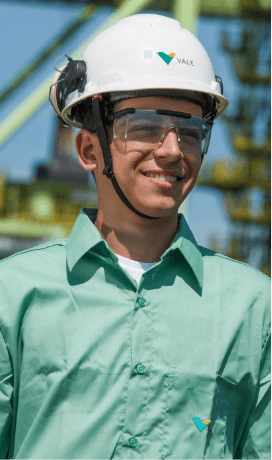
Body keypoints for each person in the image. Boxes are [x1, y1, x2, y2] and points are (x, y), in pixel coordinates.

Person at [0, 13, 270, 460]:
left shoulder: (256, 309)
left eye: (190, 132)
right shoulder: (12, 295)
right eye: (142, 127)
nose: (171, 150)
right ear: (89, 149)